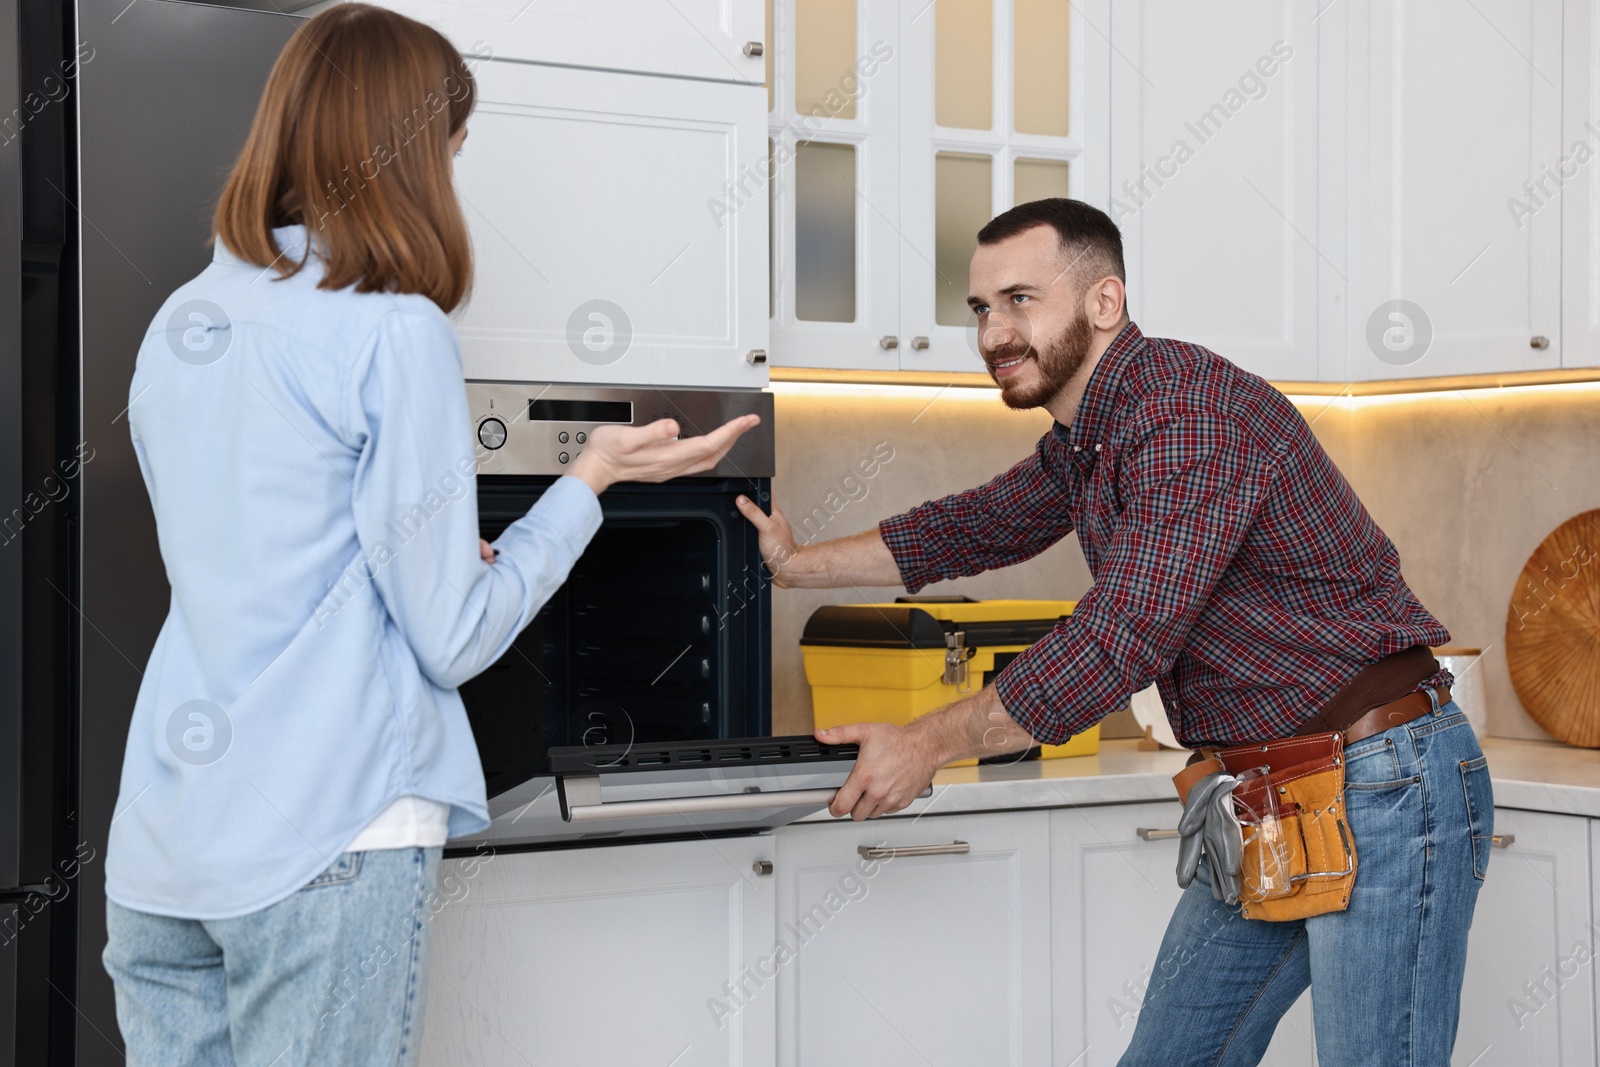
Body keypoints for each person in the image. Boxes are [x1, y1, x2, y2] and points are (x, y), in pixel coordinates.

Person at [100, 6, 757, 1064]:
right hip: (327, 834)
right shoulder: (392, 328)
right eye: (450, 150)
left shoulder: (182, 319)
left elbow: (262, 557)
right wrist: (587, 478)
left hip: (167, 849)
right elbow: (451, 637)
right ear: (411, 156)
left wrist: (418, 564)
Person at [736, 197, 1489, 1064]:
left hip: (1386, 782)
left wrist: (923, 743)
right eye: (981, 308)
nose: (993, 333)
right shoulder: (1092, 436)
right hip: (1274, 797)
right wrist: (798, 564)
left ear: (1104, 302)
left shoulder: (1187, 415)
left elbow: (1118, 641)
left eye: (1021, 299)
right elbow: (974, 526)